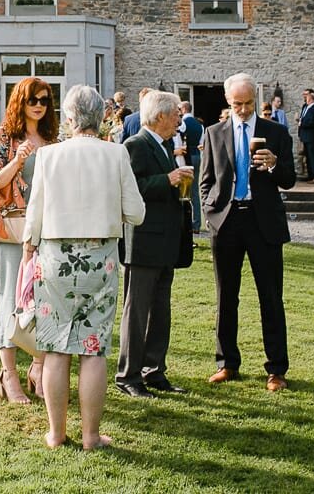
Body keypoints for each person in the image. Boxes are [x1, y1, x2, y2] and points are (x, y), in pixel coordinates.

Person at [24, 85, 145, 451]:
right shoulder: (116, 153)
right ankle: (91, 436)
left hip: (55, 256)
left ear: (70, 118)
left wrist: (30, 250)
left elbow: (35, 215)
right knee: (93, 349)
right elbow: (136, 213)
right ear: (103, 117)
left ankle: (56, 434)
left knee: (57, 348)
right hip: (101, 257)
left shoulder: (49, 156)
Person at [201, 73, 297, 392]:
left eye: (248, 103)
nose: (242, 109)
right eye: (236, 104)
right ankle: (227, 363)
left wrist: (273, 165)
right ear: (228, 101)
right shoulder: (214, 133)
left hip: (263, 222)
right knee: (226, 297)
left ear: (257, 99)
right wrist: (210, 213)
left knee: (270, 297)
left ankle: (276, 369)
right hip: (227, 222)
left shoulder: (276, 132)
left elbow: (289, 180)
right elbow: (206, 181)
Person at [0, 75, 58, 405]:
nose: (40, 106)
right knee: (11, 300)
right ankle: (9, 374)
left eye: (45, 100)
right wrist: (18, 160)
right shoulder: (5, 136)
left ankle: (39, 368)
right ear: (21, 101)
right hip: (15, 229)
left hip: (47, 229)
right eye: (33, 100)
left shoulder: (52, 138)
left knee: (43, 300)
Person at [117, 90, 191, 398]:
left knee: (161, 310)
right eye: (176, 113)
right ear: (159, 116)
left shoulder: (167, 145)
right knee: (137, 311)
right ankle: (128, 376)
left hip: (166, 242)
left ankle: (154, 370)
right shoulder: (135, 145)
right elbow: (131, 189)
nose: (179, 119)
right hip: (143, 242)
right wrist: (170, 180)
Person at [177, 102, 205, 232]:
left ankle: (186, 222)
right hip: (197, 155)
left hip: (186, 156)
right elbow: (201, 143)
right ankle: (197, 223)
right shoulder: (200, 125)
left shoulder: (182, 124)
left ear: (183, 109)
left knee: (184, 189)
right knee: (195, 191)